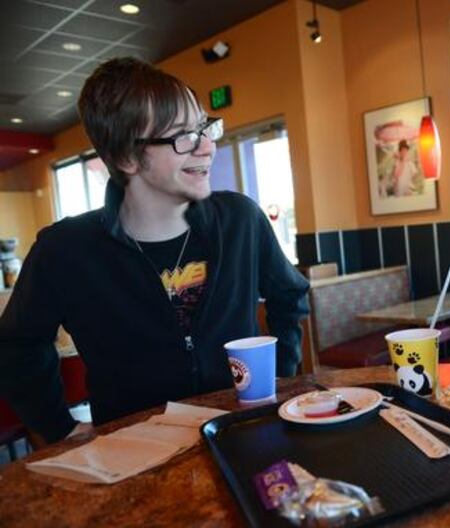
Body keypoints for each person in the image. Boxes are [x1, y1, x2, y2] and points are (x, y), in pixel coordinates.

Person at [0, 58, 310, 444]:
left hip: (241, 434)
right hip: (137, 452)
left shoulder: (240, 219)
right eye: (184, 136)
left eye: (204, 128)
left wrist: (281, 375)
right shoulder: (65, 250)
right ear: (126, 157)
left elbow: (290, 294)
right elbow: (17, 345)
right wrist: (58, 427)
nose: (207, 147)